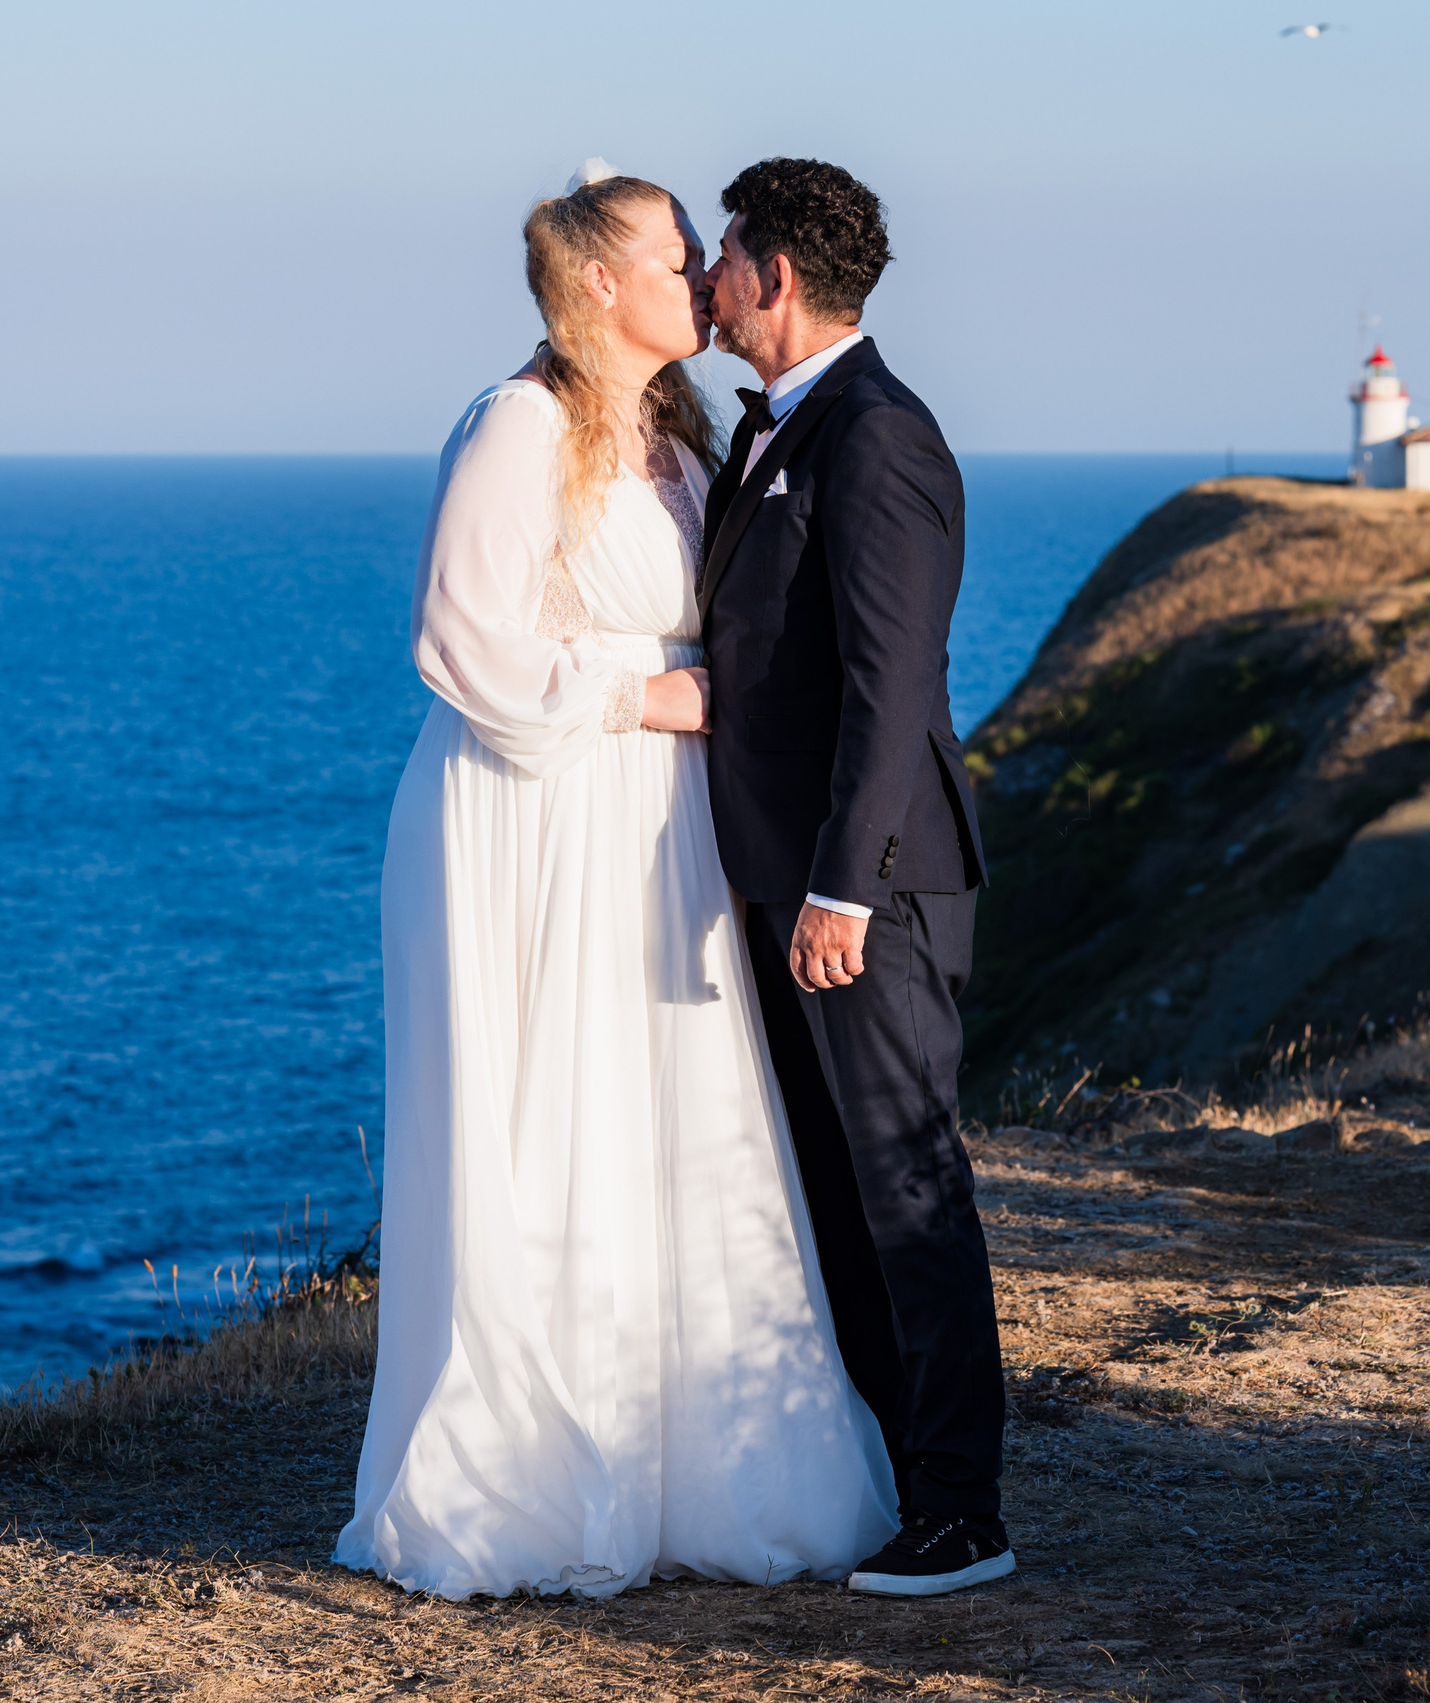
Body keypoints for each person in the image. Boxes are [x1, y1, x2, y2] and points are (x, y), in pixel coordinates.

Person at [335, 160, 897, 1600]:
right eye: (672, 251)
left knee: (674, 1112)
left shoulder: (678, 434)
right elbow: (463, 643)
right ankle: (529, 1476)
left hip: (654, 824)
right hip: (536, 812)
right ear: (599, 281)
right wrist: (654, 701)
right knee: (551, 1111)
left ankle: (688, 1465)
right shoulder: (518, 426)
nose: (703, 271)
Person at [698, 158, 1009, 1597]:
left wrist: (838, 891)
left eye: (721, 255)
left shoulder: (876, 437)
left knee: (903, 1183)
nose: (707, 277)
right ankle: (900, 1475)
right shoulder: (779, 431)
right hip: (799, 880)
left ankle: (963, 1511)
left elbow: (895, 690)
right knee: (833, 1190)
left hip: (866, 887)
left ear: (775, 276)